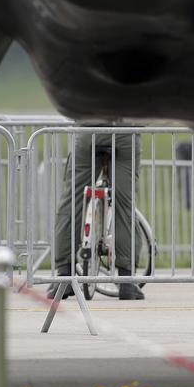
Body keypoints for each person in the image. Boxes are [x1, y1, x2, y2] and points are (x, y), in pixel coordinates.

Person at [48, 123, 145, 301]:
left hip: (88, 129)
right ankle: (126, 281)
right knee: (124, 205)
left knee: (73, 200)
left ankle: (64, 275)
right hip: (125, 131)